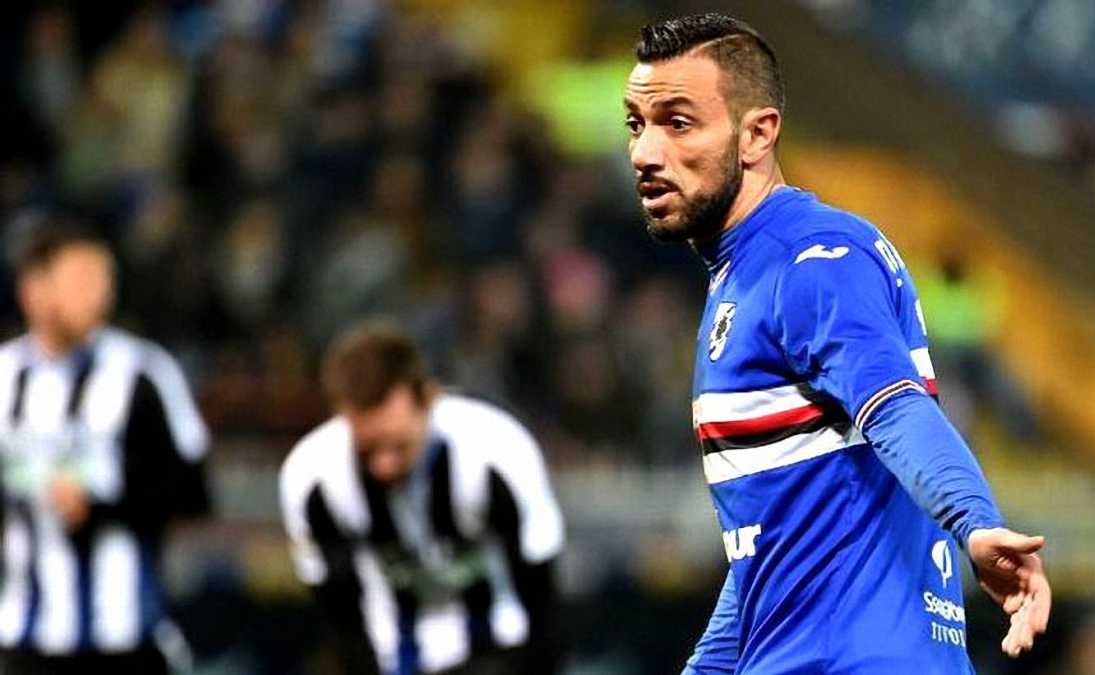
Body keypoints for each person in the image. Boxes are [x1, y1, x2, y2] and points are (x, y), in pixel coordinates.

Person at [622, 13, 1051, 674]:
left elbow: (895, 406)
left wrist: (976, 520)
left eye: (678, 123)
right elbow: (772, 551)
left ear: (757, 133)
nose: (645, 153)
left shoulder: (813, 259)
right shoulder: (749, 274)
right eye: (636, 124)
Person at [279, 322, 564, 675]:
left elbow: (539, 590)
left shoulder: (498, 449)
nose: (383, 465)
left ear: (429, 400)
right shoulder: (313, 478)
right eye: (368, 449)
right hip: (387, 657)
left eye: (398, 445)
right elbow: (337, 608)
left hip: (496, 651)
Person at [0, 226, 210, 674]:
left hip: (125, 636)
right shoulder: (5, 377)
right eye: (82, 280)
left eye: (105, 280)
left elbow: (193, 492)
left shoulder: (144, 372)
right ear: (34, 290)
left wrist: (101, 506)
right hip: (24, 636)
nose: (100, 296)